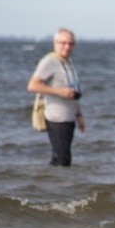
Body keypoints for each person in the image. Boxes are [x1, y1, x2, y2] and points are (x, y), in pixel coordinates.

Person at [27, 28, 86, 166]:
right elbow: (32, 85)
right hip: (56, 117)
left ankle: (53, 185)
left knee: (61, 158)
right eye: (63, 43)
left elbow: (73, 91)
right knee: (62, 159)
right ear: (55, 43)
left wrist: (79, 116)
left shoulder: (68, 62)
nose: (67, 46)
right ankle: (59, 186)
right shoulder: (49, 61)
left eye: (71, 44)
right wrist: (59, 92)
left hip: (69, 117)